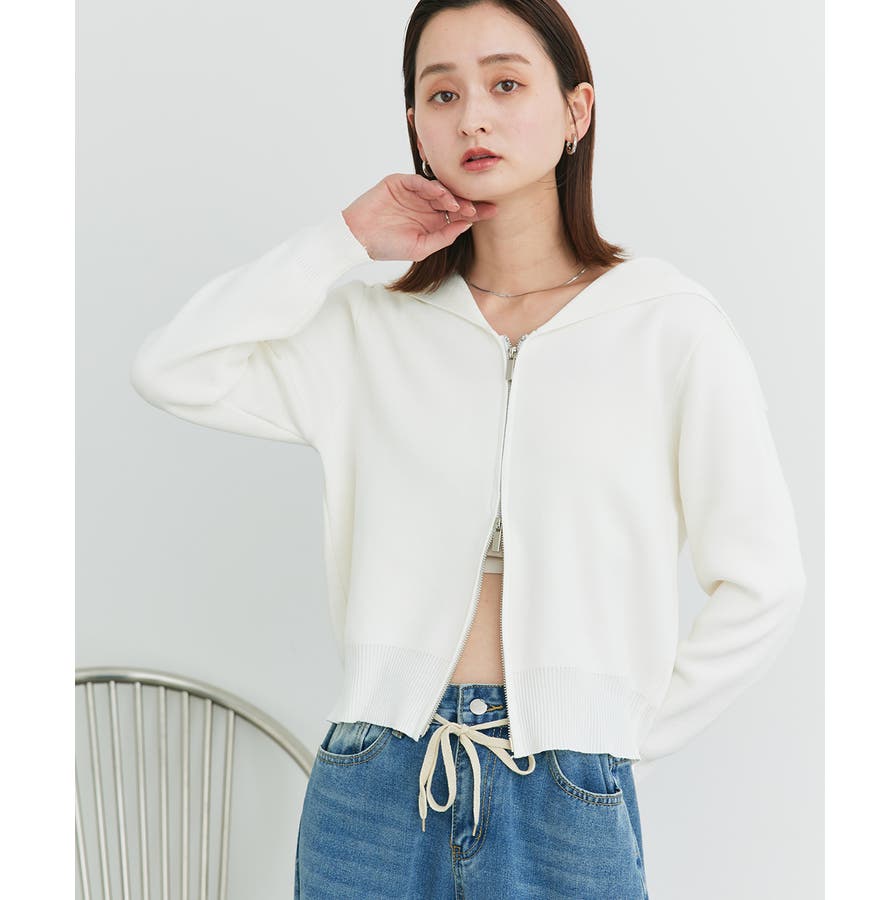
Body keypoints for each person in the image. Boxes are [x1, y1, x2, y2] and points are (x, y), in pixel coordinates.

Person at [129, 1, 807, 897]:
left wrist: (618, 731)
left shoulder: (667, 326)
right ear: (416, 127)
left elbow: (763, 580)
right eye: (442, 94)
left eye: (506, 84)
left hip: (567, 792)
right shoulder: (371, 329)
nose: (473, 117)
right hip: (375, 780)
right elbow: (171, 368)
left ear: (576, 111)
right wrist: (343, 240)